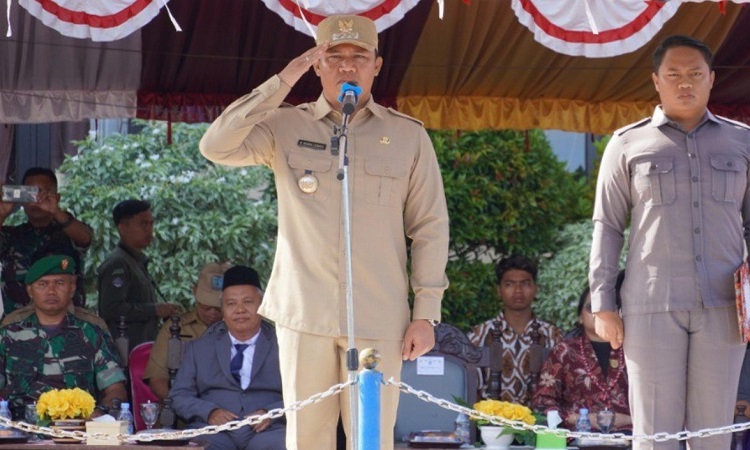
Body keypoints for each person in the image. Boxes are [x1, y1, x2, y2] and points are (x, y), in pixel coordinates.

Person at [199, 14, 449, 450]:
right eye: (334, 57)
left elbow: (429, 225)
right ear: (316, 65)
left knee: (371, 438)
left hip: (378, 314)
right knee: (307, 439)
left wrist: (426, 313)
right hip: (305, 314)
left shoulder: (407, 136)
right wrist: (282, 81)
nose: (347, 66)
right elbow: (215, 145)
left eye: (359, 56)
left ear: (377, 65)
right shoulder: (285, 125)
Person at [589, 35, 749, 450]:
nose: (685, 83)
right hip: (651, 305)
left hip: (725, 308)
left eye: (695, 73)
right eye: (673, 74)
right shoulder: (627, 143)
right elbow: (608, 226)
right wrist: (603, 304)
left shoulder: (742, 142)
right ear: (656, 81)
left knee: (713, 435)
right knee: (654, 435)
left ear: (711, 79)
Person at [170, 265, 285, 450]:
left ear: (262, 305)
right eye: (231, 304)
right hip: (213, 432)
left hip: (268, 432)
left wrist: (271, 413)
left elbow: (304, 394)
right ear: (222, 310)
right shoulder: (199, 349)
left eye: (248, 302)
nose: (240, 310)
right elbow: (179, 396)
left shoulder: (284, 347)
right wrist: (209, 412)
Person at [0, 255, 127, 419]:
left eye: (59, 283)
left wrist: (99, 413)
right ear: (30, 290)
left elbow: (116, 390)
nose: (51, 291)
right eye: (43, 284)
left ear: (72, 288)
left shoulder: (92, 334)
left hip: (78, 427)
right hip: (21, 428)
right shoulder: (8, 336)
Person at [532, 274, 631, 433]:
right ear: (580, 317)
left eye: (606, 308)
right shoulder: (564, 351)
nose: (598, 313)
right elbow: (542, 403)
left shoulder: (632, 350)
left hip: (630, 436)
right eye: (591, 308)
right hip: (578, 435)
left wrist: (628, 419)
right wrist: (579, 418)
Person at [468, 255, 561, 405]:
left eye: (525, 283)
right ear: (499, 290)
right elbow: (470, 388)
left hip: (540, 418)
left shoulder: (553, 335)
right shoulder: (479, 335)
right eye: (510, 284)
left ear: (536, 289)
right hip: (490, 418)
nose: (518, 290)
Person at [0, 167, 93, 315]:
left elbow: (85, 237)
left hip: (67, 325)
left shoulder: (68, 232)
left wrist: (56, 211)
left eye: (42, 193)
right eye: (30, 193)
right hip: (18, 325)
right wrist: (2, 214)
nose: (36, 200)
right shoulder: (11, 236)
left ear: (57, 197)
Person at [97, 199, 180, 351]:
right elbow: (111, 309)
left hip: (142, 350)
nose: (149, 230)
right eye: (143, 224)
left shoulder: (135, 261)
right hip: (124, 353)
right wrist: (154, 310)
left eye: (151, 224)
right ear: (122, 228)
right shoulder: (118, 263)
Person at [144, 261, 229, 400]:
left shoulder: (239, 330)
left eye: (218, 308)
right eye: (206, 306)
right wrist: (180, 404)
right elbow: (157, 377)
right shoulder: (175, 327)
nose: (212, 312)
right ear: (194, 291)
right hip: (179, 406)